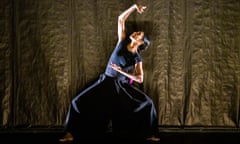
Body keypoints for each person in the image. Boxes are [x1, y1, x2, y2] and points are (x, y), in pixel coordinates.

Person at [59, 4, 160, 142]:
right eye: (137, 32)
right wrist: (134, 7)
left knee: (147, 103)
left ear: (141, 43)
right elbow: (120, 19)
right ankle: (70, 133)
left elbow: (140, 78)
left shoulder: (137, 58)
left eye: (139, 35)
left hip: (121, 87)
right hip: (106, 82)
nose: (135, 33)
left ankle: (150, 134)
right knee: (77, 101)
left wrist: (122, 72)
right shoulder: (122, 41)